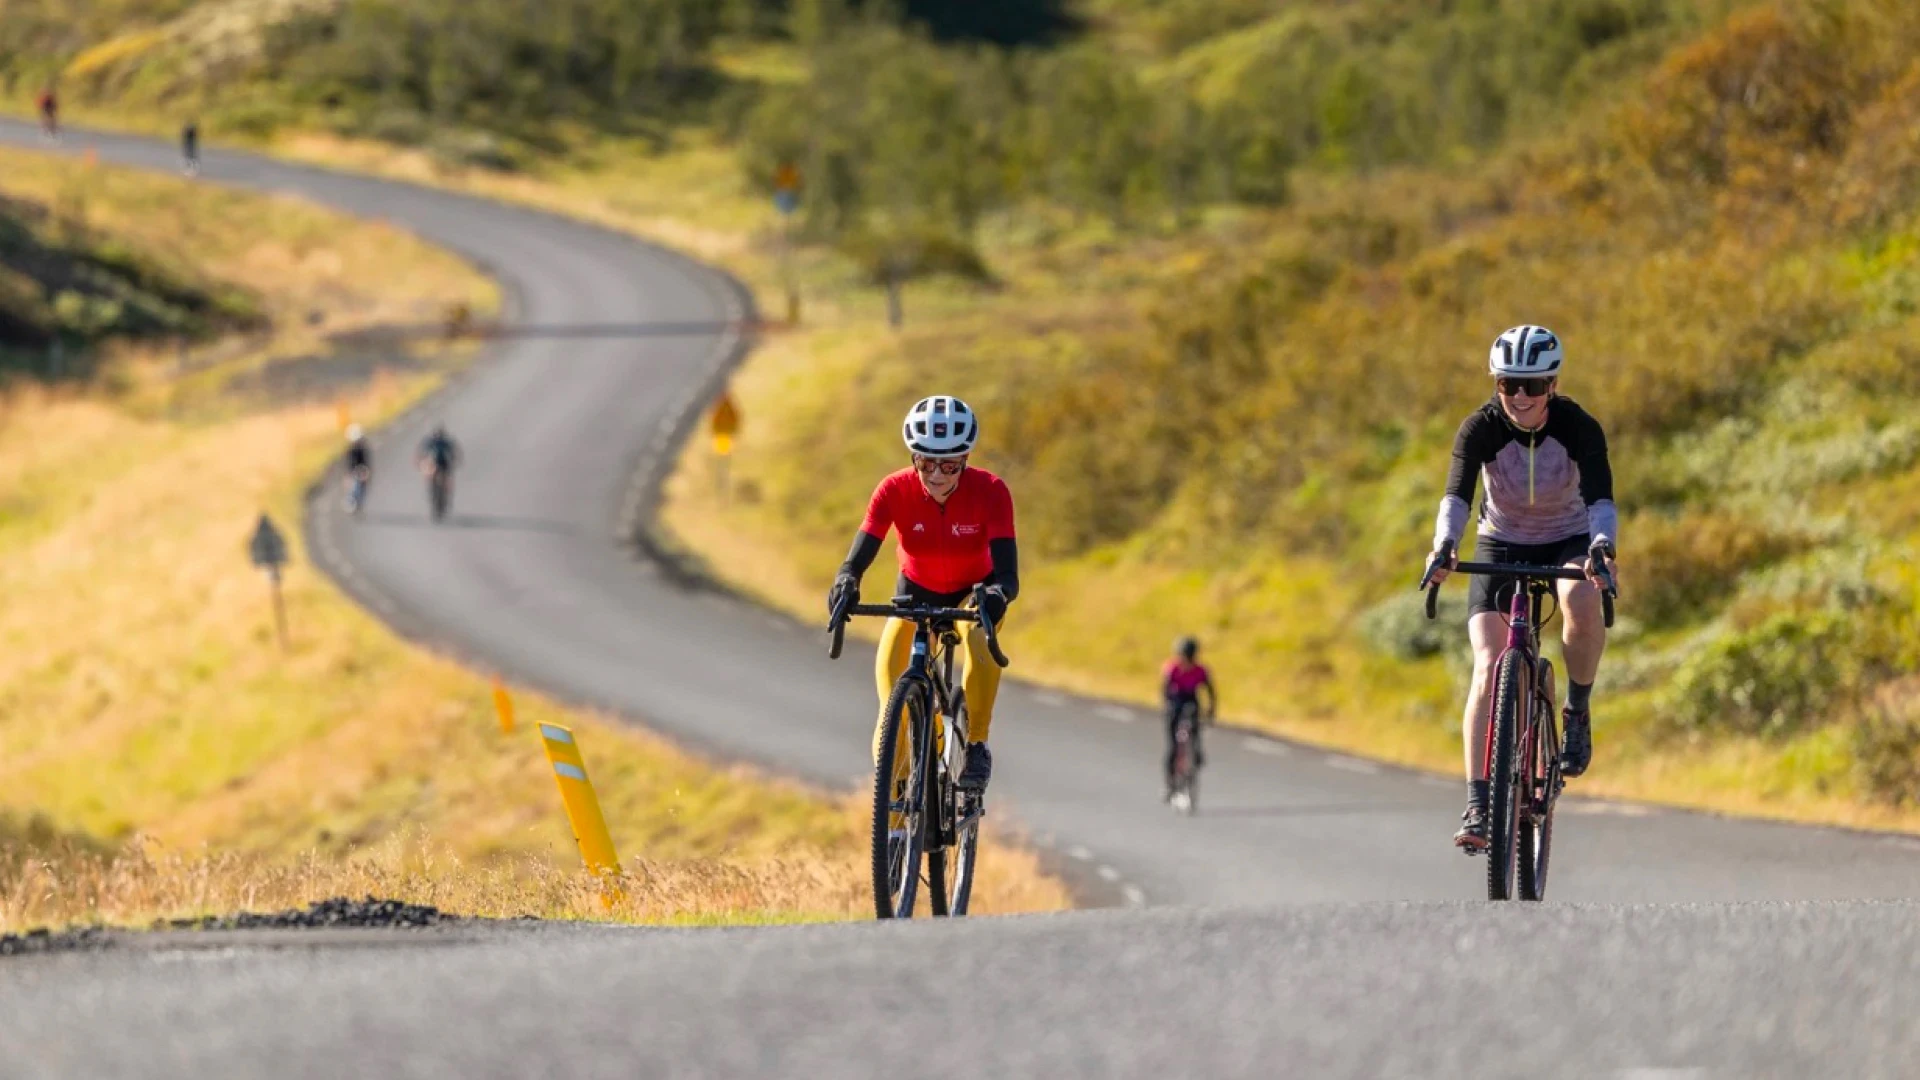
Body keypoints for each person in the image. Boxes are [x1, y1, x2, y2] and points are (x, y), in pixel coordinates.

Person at [1424, 325, 1619, 853]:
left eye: (1533, 385)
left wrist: (1602, 546)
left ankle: (1576, 712)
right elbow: (1457, 497)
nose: (1520, 397)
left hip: (1567, 540)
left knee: (1580, 603)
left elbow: (1602, 499)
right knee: (1488, 665)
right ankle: (1479, 801)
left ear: (1552, 384)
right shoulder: (1480, 428)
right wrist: (1444, 546)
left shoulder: (1579, 427)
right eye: (1509, 384)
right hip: (1500, 542)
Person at [827, 396, 1017, 792]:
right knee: (889, 710)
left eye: (948, 465)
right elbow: (857, 557)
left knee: (980, 638)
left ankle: (977, 744)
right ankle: (897, 834)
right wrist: (846, 580)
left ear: (964, 460)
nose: (935, 475)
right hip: (915, 595)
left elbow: (1008, 575)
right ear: (913, 458)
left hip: (975, 594)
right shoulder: (893, 490)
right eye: (925, 462)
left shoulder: (992, 492)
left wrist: (997, 595)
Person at [1162, 636, 1216, 801]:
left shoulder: (1201, 671)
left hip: (1191, 700)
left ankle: (1196, 752)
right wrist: (1168, 706)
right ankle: (1170, 783)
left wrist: (1211, 710)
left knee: (1194, 728)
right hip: (1175, 701)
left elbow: (1211, 692)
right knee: (1173, 745)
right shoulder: (1172, 669)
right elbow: (1165, 690)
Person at [343, 424, 372, 513]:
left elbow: (365, 462)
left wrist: (366, 471)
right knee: (354, 488)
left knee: (361, 489)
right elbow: (349, 464)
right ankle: (351, 503)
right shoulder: (351, 450)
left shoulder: (362, 449)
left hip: (361, 471)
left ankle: (357, 505)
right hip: (354, 472)